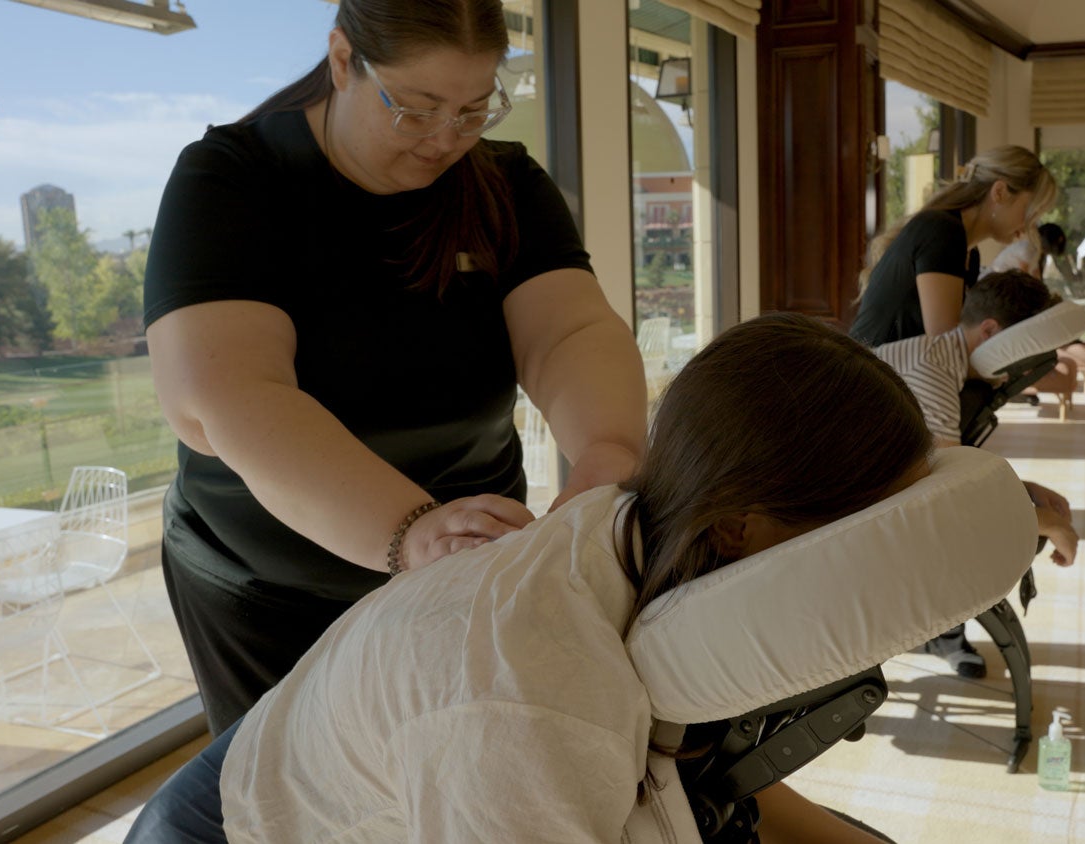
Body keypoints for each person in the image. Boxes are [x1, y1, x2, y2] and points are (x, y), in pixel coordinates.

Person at [126, 313, 939, 844]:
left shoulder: (651, 537)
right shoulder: (534, 697)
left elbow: (707, 778)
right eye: (858, 532)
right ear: (743, 522)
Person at [143, 0, 647, 736]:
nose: (447, 139)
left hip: (469, 564)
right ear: (344, 61)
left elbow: (569, 332)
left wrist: (607, 454)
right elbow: (229, 398)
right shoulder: (232, 182)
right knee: (303, 795)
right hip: (273, 583)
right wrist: (408, 532)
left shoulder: (505, 185)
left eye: (476, 108)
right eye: (416, 108)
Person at [872, 270, 1079, 679]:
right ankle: (940, 630)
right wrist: (1048, 522)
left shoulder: (942, 360)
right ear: (991, 332)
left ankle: (944, 633)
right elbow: (948, 492)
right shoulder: (932, 371)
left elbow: (952, 468)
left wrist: (1027, 490)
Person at [849, 145, 1058, 346]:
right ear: (1000, 192)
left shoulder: (968, 252)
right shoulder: (943, 232)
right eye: (1029, 211)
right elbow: (944, 344)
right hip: (868, 376)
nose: (1030, 226)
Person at [988, 221, 1068, 280]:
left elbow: (1035, 275)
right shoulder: (1027, 249)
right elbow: (1024, 278)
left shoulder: (1035, 251)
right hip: (995, 281)